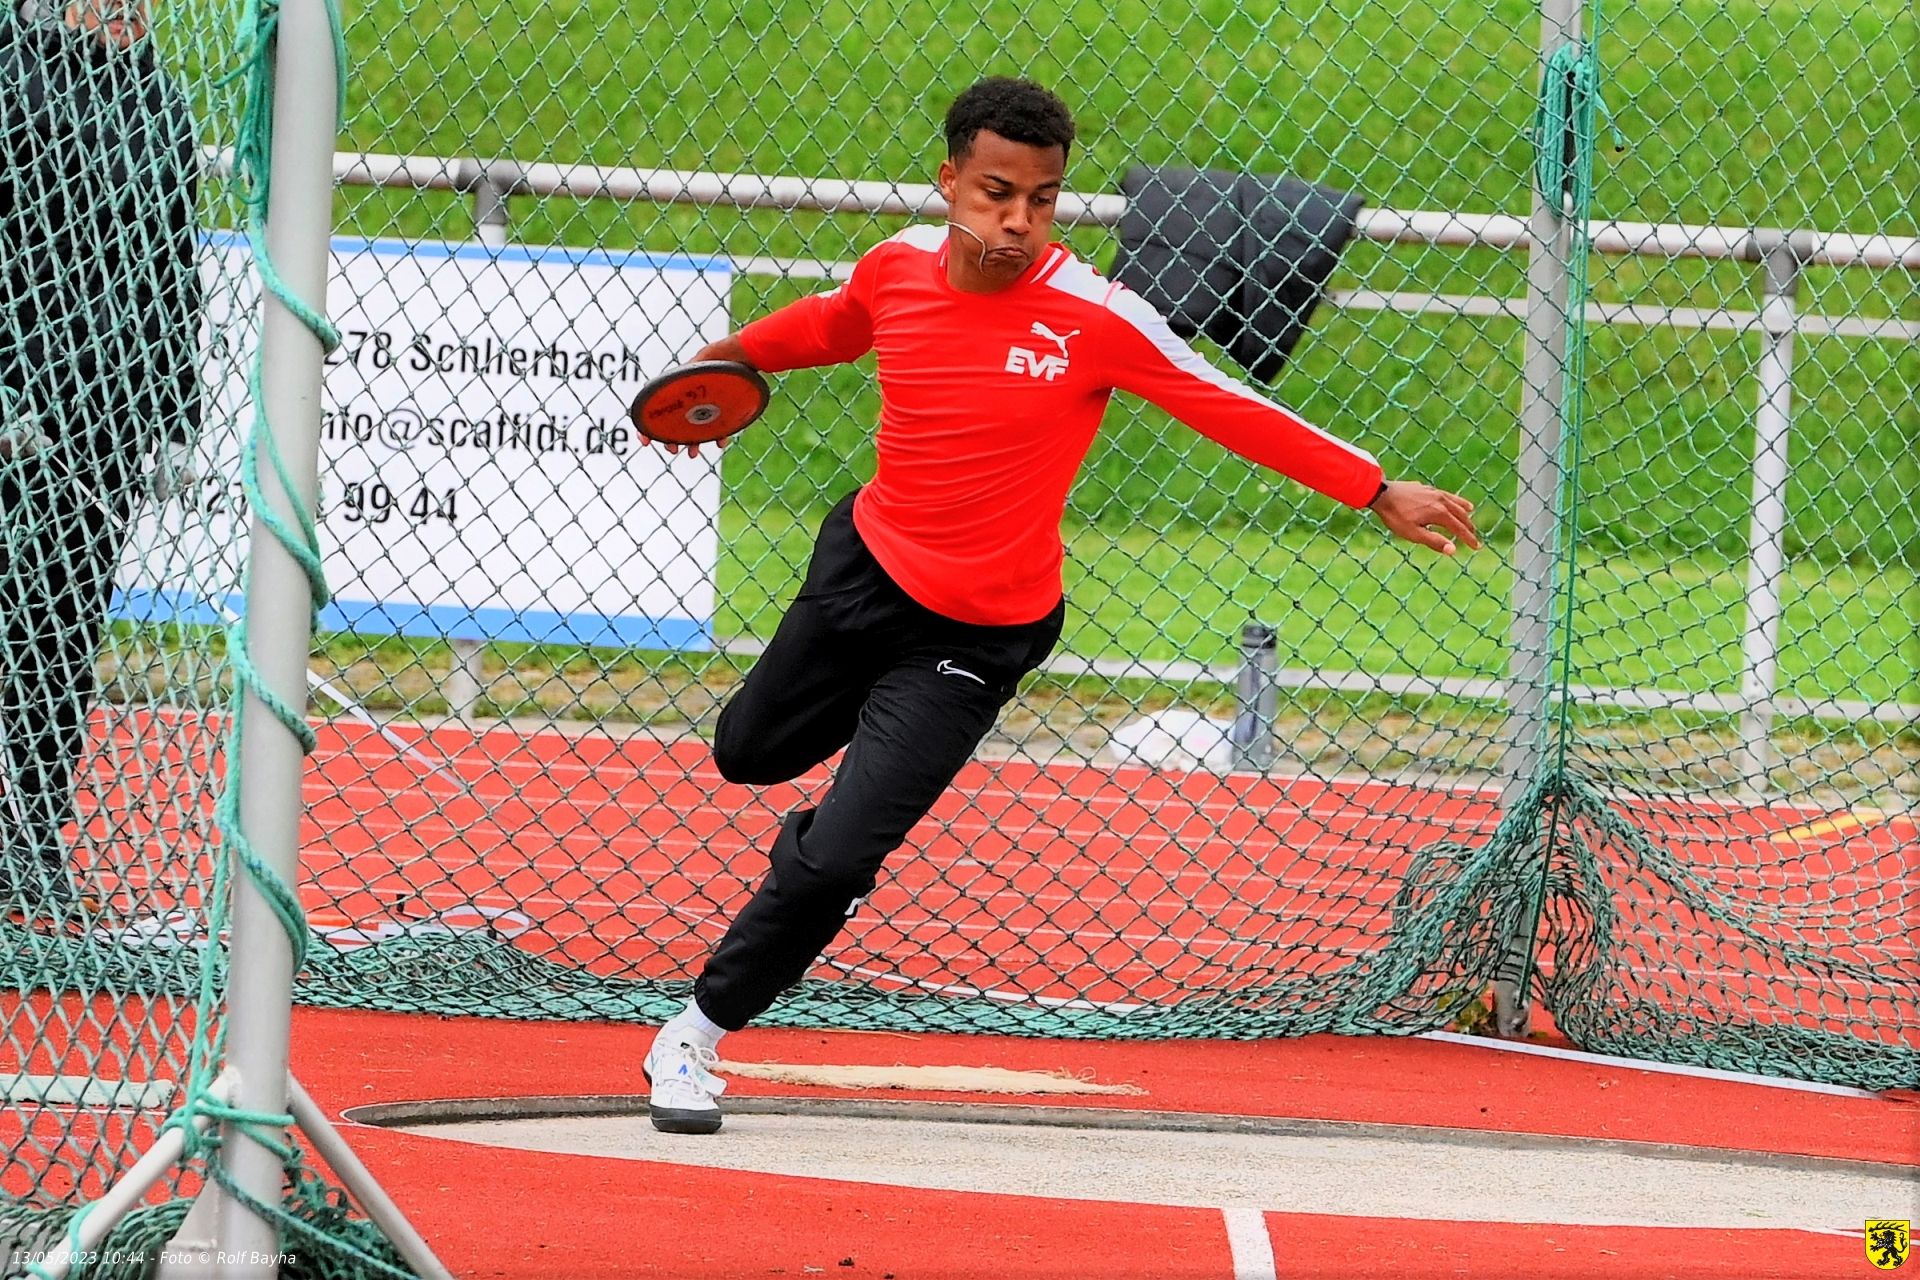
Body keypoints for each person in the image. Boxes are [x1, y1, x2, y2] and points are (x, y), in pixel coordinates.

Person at [637, 77, 1480, 1133]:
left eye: (1042, 199)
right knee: (746, 754)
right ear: (949, 182)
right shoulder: (897, 266)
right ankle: (822, 848)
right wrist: (719, 367)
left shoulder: (1096, 315)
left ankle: (696, 1033)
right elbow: (829, 325)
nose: (1018, 220)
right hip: (863, 572)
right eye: (996, 194)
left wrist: (1374, 487)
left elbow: (1230, 406)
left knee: (842, 855)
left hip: (979, 633)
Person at [0, 0, 202, 922]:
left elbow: (170, 264)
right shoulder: (11, 71)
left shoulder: (156, 97)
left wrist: (174, 412)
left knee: (66, 627)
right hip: (21, 398)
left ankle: (32, 830)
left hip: (103, 416)